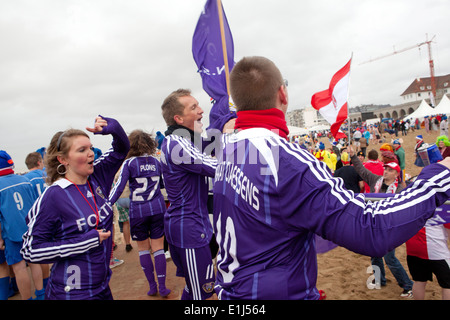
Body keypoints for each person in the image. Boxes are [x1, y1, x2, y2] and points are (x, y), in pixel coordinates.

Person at [211, 56, 450, 300]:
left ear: (239, 104)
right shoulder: (286, 160)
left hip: (232, 289)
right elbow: (370, 229)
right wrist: (438, 177)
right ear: (283, 94)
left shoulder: (226, 149)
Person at [21, 116, 130, 300]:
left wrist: (114, 128)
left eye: (90, 148)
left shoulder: (98, 175)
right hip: (72, 292)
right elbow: (30, 250)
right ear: (63, 159)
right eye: (82, 150)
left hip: (102, 287)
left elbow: (122, 149)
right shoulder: (54, 195)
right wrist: (85, 241)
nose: (91, 153)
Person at [159, 89, 219, 300]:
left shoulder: (184, 140)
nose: (201, 110)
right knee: (203, 294)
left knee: (194, 289)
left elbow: (217, 146)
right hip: (189, 230)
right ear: (179, 118)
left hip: (189, 225)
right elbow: (216, 165)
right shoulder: (178, 142)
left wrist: (225, 122)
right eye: (194, 107)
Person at [109, 129, 171, 297]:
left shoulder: (129, 163)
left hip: (138, 211)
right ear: (149, 143)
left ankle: (152, 287)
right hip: (158, 208)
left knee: (143, 249)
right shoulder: (157, 162)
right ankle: (163, 286)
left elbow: (119, 186)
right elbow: (166, 184)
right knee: (158, 248)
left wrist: (107, 204)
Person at [349, 147, 414, 297]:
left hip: (389, 228)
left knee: (390, 258)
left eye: (390, 170)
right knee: (374, 254)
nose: (385, 171)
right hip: (374, 225)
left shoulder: (398, 191)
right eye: (385, 169)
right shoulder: (375, 180)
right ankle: (379, 280)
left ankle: (408, 285)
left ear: (397, 174)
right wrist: (353, 156)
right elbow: (362, 171)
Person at [0, 151, 45, 300]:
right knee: (34, 262)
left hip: (11, 233)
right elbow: (34, 206)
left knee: (19, 268)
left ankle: (27, 298)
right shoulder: (24, 180)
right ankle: (41, 294)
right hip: (30, 229)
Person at [405, 222, 450, 300]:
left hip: (413, 249)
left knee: (419, 281)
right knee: (448, 285)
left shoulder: (409, 209)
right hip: (436, 251)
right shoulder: (443, 209)